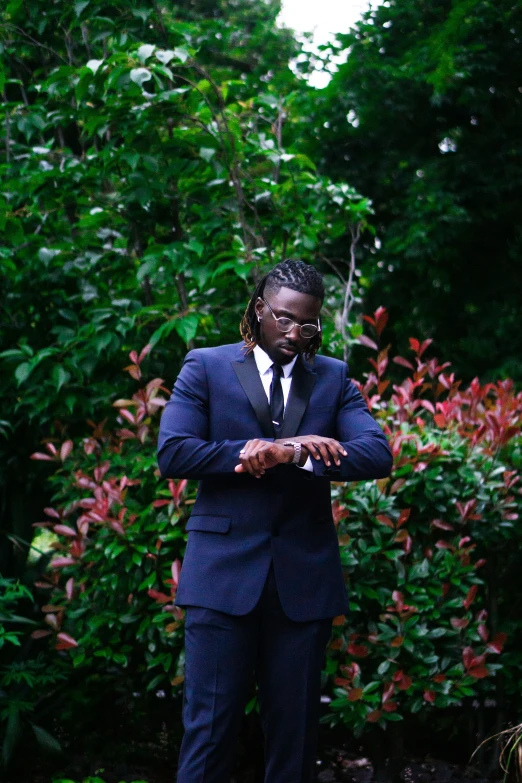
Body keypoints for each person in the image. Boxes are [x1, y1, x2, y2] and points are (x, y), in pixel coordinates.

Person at [157, 260, 392, 783]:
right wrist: (249, 451)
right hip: (221, 578)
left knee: (295, 738)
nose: (295, 334)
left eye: (308, 324)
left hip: (303, 583)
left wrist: (296, 454)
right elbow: (174, 453)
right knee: (210, 732)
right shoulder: (206, 366)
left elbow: (376, 455)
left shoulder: (331, 376)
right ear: (260, 309)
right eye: (285, 319)